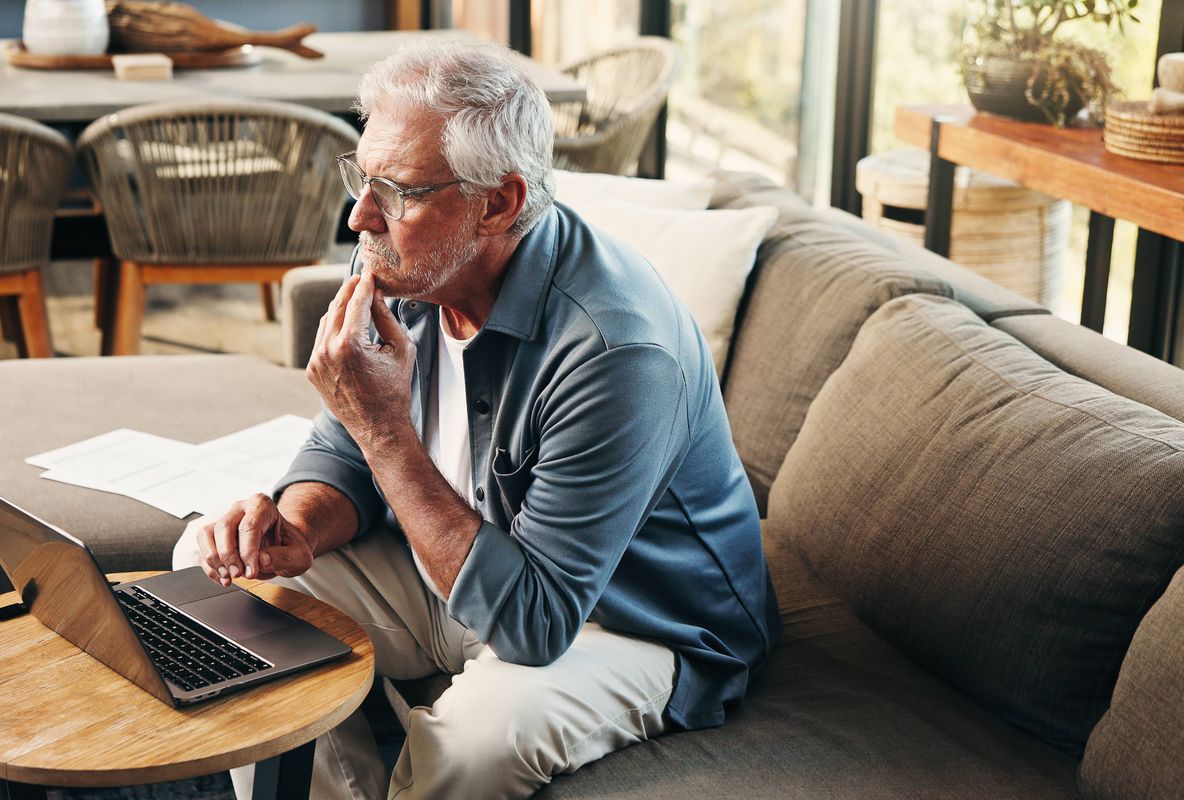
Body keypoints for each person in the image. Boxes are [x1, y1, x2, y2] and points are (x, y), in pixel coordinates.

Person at [174, 39, 780, 800]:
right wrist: (296, 527)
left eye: (398, 191)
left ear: (497, 203)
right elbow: (343, 449)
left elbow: (534, 621)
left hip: (625, 619)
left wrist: (385, 430)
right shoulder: (412, 264)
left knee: (472, 750)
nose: (359, 217)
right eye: (362, 179)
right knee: (211, 577)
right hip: (462, 566)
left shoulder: (617, 352)